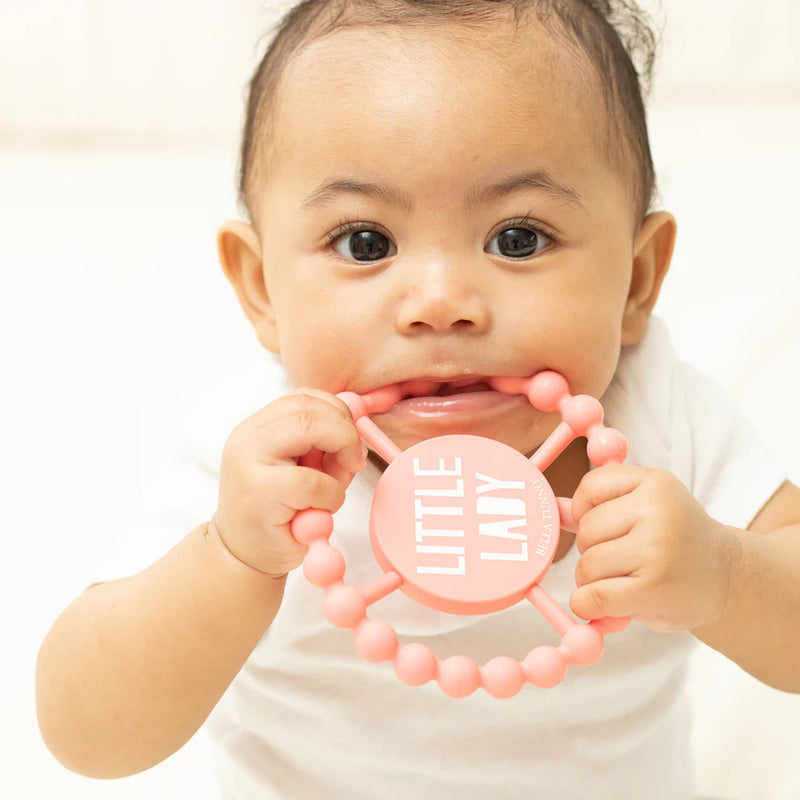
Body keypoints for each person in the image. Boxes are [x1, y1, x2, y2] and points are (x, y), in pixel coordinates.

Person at [36, 1, 800, 798]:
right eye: (365, 243)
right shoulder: (263, 465)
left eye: (518, 238)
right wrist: (229, 557)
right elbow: (86, 734)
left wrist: (724, 573)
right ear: (262, 289)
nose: (440, 301)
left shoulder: (663, 421)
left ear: (636, 280)